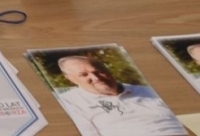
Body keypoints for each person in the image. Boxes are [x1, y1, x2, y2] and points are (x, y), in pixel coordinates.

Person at [55, 54, 186, 135]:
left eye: (98, 71)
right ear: (71, 79)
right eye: (83, 75)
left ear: (107, 70)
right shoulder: (71, 102)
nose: (95, 77)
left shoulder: (148, 91)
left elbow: (188, 120)